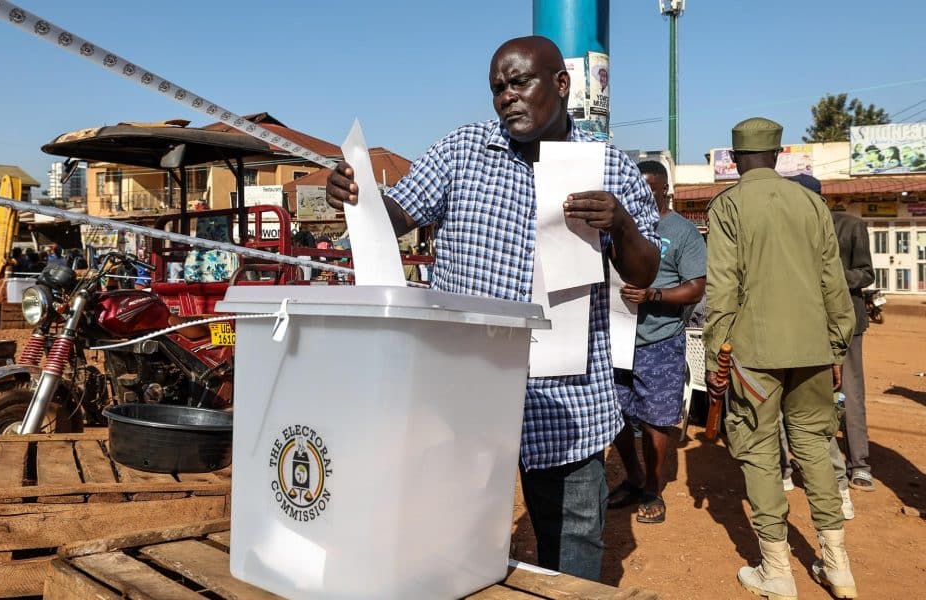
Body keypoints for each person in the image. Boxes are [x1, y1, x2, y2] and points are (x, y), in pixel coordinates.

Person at [326, 36, 661, 581]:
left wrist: (620, 223)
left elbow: (643, 272)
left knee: (573, 541)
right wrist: (357, 194)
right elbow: (396, 216)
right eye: (498, 88)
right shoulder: (462, 150)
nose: (507, 96)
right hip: (466, 389)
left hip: (568, 397)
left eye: (519, 82)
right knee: (451, 535)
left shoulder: (609, 167)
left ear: (561, 84)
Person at [705, 117, 857, 600]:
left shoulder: (728, 205)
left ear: (735, 159)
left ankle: (777, 571)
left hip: (754, 353)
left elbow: (722, 289)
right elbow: (833, 283)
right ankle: (838, 566)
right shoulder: (812, 203)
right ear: (777, 155)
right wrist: (837, 346)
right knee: (815, 446)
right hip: (813, 347)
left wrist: (714, 360)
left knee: (758, 452)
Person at [608, 160, 705, 524]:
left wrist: (653, 295)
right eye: (639, 188)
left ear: (665, 190)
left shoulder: (683, 232)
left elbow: (695, 288)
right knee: (614, 413)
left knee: (655, 420)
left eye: (651, 189)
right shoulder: (618, 227)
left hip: (659, 340)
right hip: (616, 337)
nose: (644, 195)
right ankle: (633, 476)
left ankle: (652, 487)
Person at [793, 175, 876, 493]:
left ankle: (860, 464)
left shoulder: (851, 226)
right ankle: (813, 462)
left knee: (850, 393)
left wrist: (832, 275)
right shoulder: (792, 230)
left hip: (847, 323)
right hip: (805, 323)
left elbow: (866, 274)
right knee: (807, 395)